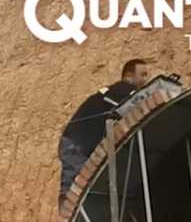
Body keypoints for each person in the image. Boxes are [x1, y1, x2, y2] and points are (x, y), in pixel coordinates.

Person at [58, 59, 151, 203]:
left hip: (78, 142)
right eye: (142, 75)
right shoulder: (123, 89)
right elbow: (136, 107)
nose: (145, 80)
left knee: (77, 193)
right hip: (76, 144)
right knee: (71, 193)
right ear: (129, 75)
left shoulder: (112, 94)